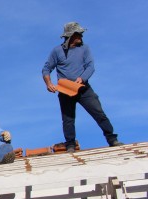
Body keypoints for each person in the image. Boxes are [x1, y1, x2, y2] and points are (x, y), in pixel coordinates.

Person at [42, 22, 122, 152]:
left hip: (83, 88)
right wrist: (49, 83)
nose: (81, 36)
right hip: (65, 89)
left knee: (98, 113)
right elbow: (46, 69)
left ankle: (112, 139)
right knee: (68, 120)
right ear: (70, 36)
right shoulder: (57, 51)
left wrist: (82, 78)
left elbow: (90, 66)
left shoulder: (85, 48)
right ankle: (71, 145)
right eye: (78, 34)